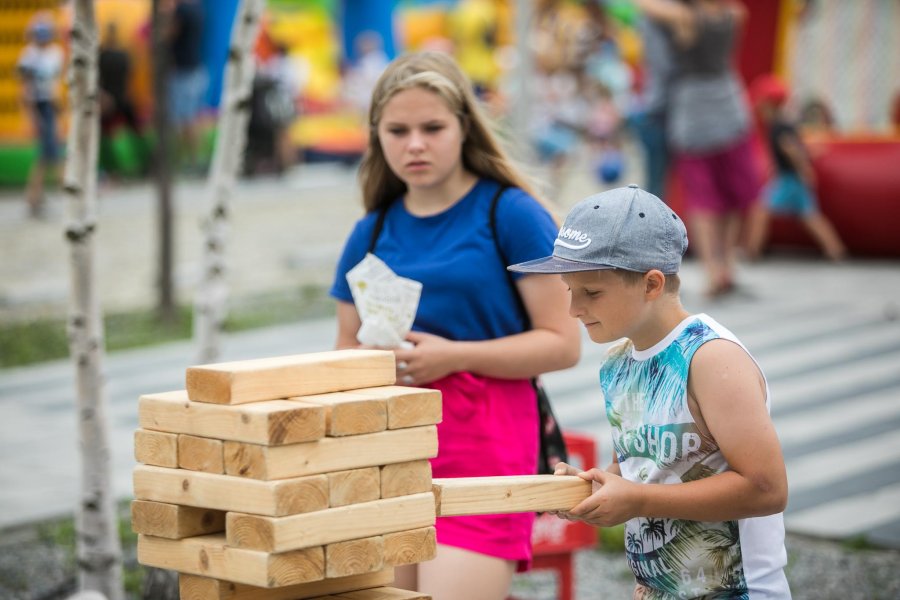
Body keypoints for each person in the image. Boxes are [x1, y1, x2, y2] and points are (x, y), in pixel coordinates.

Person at [329, 50, 581, 600]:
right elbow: (343, 348)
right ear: (377, 136)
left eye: (432, 127)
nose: (414, 143)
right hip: (390, 450)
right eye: (397, 130)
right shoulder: (369, 232)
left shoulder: (510, 214)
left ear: (464, 127)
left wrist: (454, 355)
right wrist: (377, 363)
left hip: (489, 448)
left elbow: (563, 345)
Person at [509, 184, 791, 599]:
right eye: (571, 291)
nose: (573, 310)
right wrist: (592, 487)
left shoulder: (711, 358)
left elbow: (767, 488)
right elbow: (645, 465)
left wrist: (638, 501)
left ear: (652, 284)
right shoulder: (618, 362)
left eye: (592, 292)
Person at [636, 0, 762, 298]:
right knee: (732, 194)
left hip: (692, 109)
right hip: (730, 100)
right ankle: (727, 263)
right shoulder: (734, 14)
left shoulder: (685, 18)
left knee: (704, 197)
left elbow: (645, 6)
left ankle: (712, 270)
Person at [745, 74, 846, 262]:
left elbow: (791, 150)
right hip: (792, 177)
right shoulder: (783, 124)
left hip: (789, 179)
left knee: (760, 211)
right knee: (810, 216)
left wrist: (803, 169)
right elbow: (796, 148)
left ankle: (752, 251)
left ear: (769, 104)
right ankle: (836, 250)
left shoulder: (778, 126)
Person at [17, 16, 64, 218]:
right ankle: (38, 194)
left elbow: (55, 84)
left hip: (51, 104)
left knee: (49, 151)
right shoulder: (29, 56)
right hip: (38, 105)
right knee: (48, 151)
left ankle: (35, 195)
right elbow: (25, 89)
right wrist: (30, 115)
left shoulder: (55, 54)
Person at [98, 21, 148, 177]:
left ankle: (144, 164)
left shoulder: (106, 55)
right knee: (108, 136)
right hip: (118, 99)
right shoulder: (120, 55)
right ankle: (114, 168)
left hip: (114, 100)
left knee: (133, 133)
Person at [165, 0, 207, 172]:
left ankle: (185, 161)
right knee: (191, 118)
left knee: (182, 119)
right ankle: (195, 159)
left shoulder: (182, 10)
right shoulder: (198, 10)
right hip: (196, 69)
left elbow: (170, 33)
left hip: (183, 72)